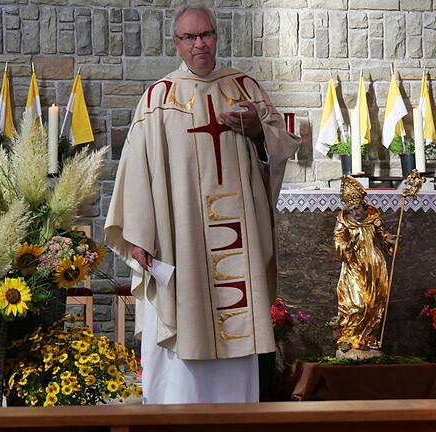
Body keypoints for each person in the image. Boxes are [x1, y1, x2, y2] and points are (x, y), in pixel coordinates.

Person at [105, 5, 301, 404]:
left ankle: (237, 415)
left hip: (237, 238)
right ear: (177, 44)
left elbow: (280, 148)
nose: (200, 44)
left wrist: (259, 130)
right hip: (183, 239)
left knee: (236, 323)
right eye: (190, 37)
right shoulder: (159, 98)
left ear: (216, 37)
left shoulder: (245, 88)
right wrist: (139, 236)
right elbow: (137, 170)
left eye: (206, 35)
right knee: (186, 317)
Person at [333, 176, 396, 353]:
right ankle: (347, 336)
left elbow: (382, 234)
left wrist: (388, 239)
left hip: (374, 266)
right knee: (356, 303)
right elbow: (338, 242)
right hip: (354, 265)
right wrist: (348, 246)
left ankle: (366, 337)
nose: (356, 213)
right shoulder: (344, 221)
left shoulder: (372, 218)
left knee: (374, 303)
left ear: (363, 206)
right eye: (352, 210)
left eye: (358, 208)